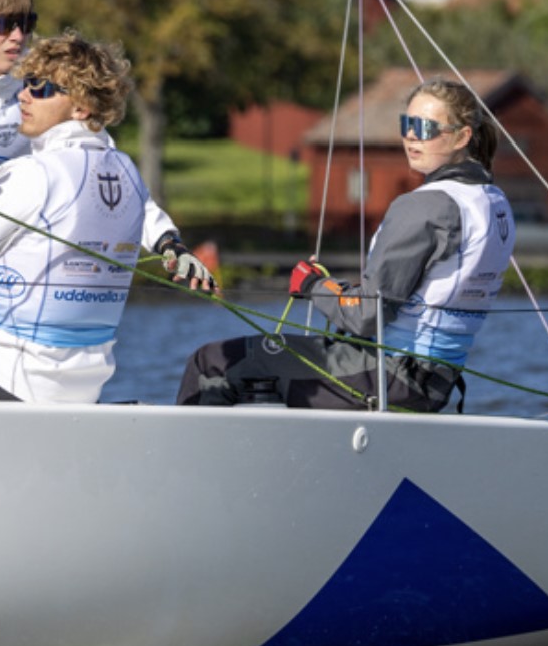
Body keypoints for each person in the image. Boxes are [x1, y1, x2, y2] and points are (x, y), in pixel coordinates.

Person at [174, 79, 513, 412]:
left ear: (462, 136)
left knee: (211, 363)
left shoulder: (425, 206)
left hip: (388, 374)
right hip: (435, 382)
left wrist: (313, 286)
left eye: (425, 127)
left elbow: (367, 316)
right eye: (407, 124)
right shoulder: (493, 203)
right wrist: (338, 288)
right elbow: (417, 295)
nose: (411, 135)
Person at [0, 0, 217, 302]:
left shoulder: (38, 82)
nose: (18, 37)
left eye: (26, 24)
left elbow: (108, 170)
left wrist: (169, 241)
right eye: (4, 25)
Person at [0, 34, 149, 402]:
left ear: (81, 107)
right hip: (87, 383)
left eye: (40, 88)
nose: (22, 95)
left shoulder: (33, 172)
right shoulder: (129, 173)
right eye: (24, 84)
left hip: (8, 372)